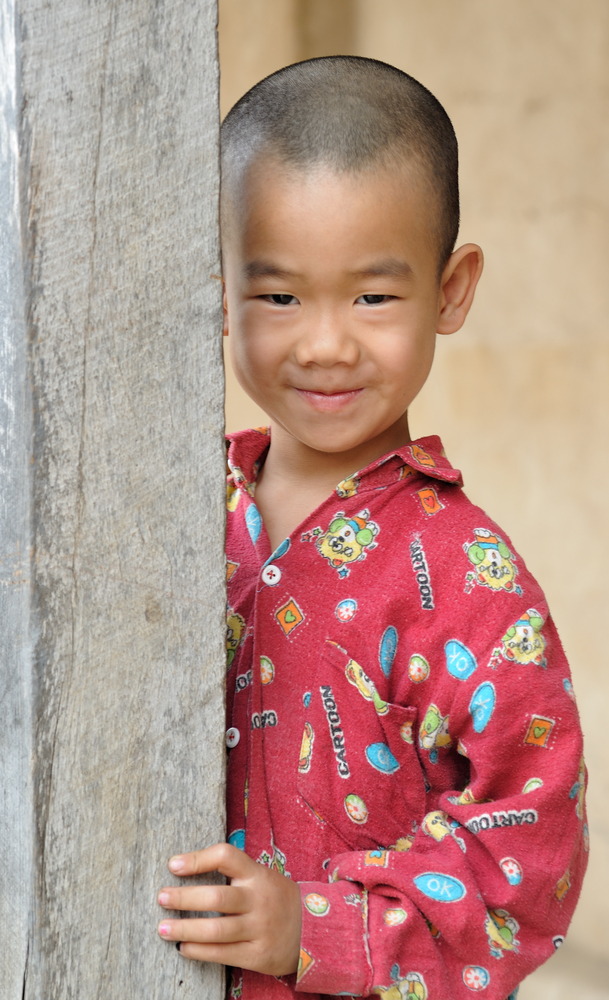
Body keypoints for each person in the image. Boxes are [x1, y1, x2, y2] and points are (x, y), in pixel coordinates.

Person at [157, 56, 588, 1000]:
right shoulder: (173, 515)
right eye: (278, 296)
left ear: (451, 290)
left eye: (372, 296)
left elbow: (531, 868)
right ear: (216, 289)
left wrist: (310, 928)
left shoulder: (470, 581)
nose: (323, 343)